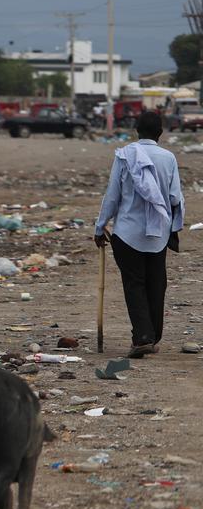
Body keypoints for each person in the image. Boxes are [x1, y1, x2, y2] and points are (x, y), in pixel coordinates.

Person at [95, 111, 184, 358]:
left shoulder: (124, 155)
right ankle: (152, 336)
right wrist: (174, 228)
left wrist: (99, 226)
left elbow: (113, 195)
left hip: (127, 233)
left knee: (134, 284)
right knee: (157, 285)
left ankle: (143, 337)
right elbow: (176, 197)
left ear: (136, 129)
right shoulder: (169, 158)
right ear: (161, 132)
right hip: (159, 234)